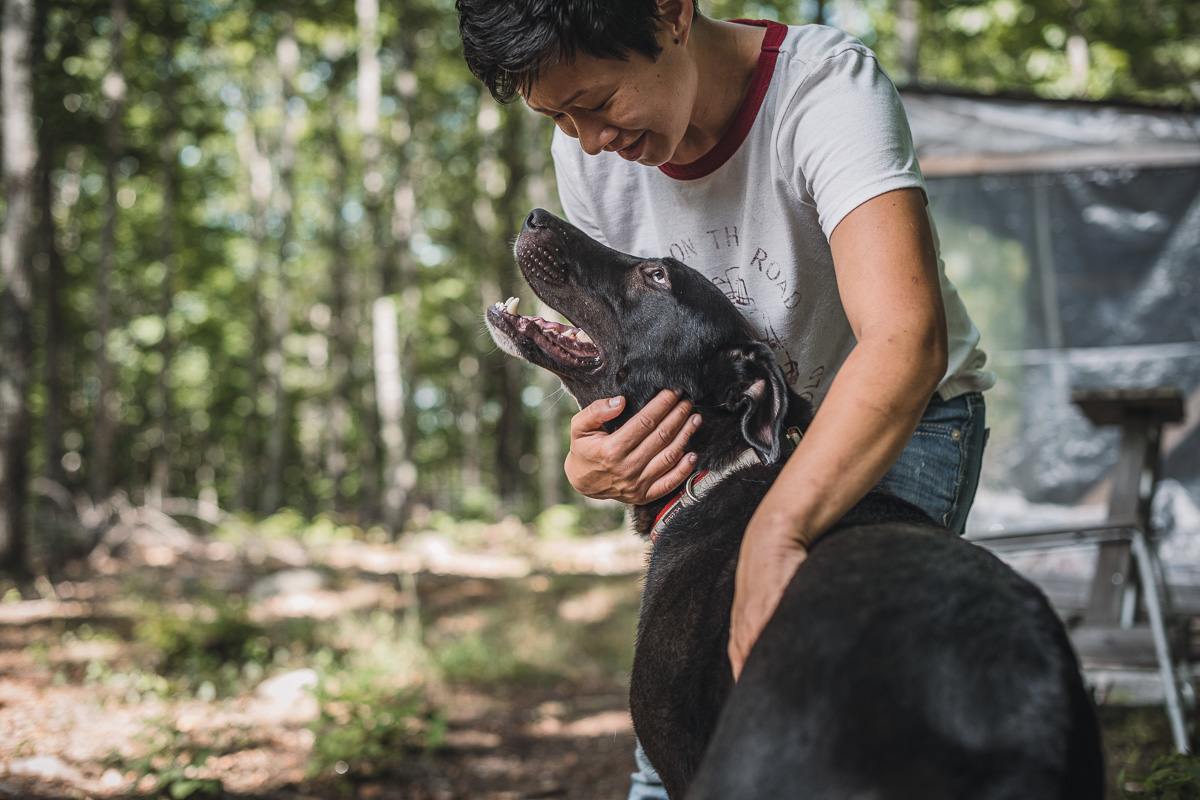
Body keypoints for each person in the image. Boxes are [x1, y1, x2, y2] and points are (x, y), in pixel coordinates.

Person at [456, 1, 994, 797]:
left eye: (599, 104)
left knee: (833, 715)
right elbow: (631, 355)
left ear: (670, 12)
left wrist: (777, 533)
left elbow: (903, 343)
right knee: (687, 715)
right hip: (737, 450)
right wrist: (594, 457)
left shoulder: (823, 91)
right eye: (559, 118)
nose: (590, 141)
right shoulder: (592, 148)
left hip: (890, 417)